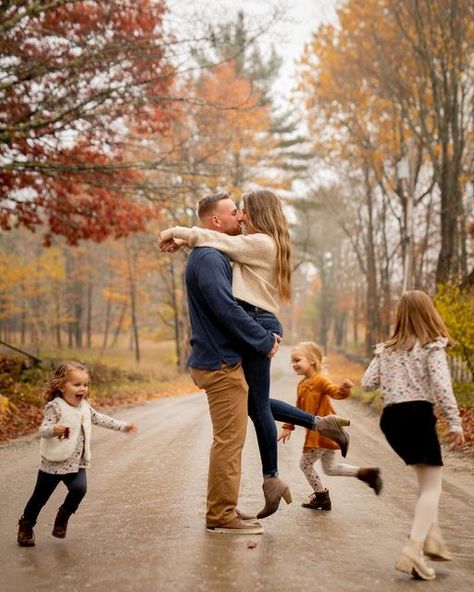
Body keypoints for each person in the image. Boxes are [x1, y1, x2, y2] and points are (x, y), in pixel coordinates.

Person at [160, 190, 350, 520]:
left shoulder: (262, 243)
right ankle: (321, 424)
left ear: (258, 213)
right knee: (252, 402)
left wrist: (177, 232)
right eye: (237, 212)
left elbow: (214, 240)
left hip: (257, 321)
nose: (242, 217)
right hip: (257, 318)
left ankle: (271, 477)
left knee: (256, 405)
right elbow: (217, 241)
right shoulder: (258, 244)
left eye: (244, 211)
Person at [361, 290, 465, 581]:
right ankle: (414, 548)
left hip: (391, 420)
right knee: (433, 488)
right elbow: (442, 388)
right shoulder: (432, 347)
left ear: (400, 316)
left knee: (425, 482)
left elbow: (367, 383)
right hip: (418, 416)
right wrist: (455, 424)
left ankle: (431, 540)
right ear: (428, 312)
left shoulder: (386, 350)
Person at [17, 361, 137, 547]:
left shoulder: (84, 407)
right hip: (53, 463)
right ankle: (26, 525)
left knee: (79, 489)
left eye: (85, 384)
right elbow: (43, 430)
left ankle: (63, 516)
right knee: (39, 499)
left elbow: (101, 419)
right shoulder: (55, 407)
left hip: (76, 464)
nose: (83, 388)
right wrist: (54, 429)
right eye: (77, 384)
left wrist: (123, 426)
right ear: (61, 386)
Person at [279, 341, 382, 512]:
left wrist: (343, 389)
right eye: (292, 361)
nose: (294, 364)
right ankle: (366, 473)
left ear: (312, 360)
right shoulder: (302, 384)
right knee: (330, 469)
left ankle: (321, 497)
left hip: (322, 433)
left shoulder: (320, 380)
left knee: (304, 465)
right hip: (327, 435)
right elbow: (297, 410)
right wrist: (288, 425)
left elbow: (334, 391)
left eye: (297, 360)